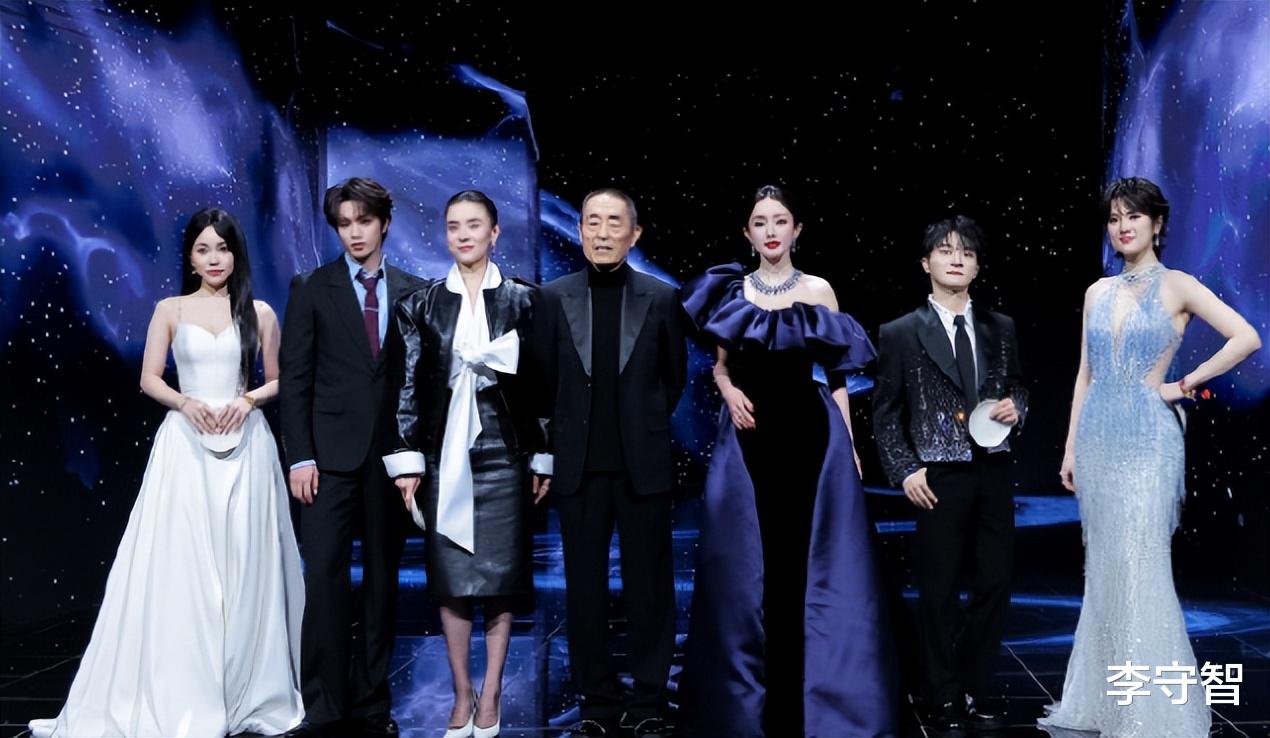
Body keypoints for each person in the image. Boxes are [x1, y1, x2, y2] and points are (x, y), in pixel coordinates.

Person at [30, 208, 304, 738]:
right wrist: (185, 403)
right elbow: (149, 378)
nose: (214, 259)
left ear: (236, 253)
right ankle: (185, 688)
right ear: (190, 257)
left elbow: (279, 379)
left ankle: (245, 687)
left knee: (246, 565)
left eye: (222, 248)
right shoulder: (170, 309)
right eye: (203, 249)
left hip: (247, 449)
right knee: (184, 568)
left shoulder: (261, 312)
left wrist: (247, 400)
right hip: (185, 450)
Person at [1039, 177, 1260, 736]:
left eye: (1134, 216)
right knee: (1105, 570)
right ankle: (1107, 700)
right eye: (1115, 218)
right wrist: (1069, 447)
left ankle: (1148, 709)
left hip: (1148, 441)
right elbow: (1085, 374)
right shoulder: (1096, 292)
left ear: (1157, 223)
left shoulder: (1178, 285)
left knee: (1141, 565)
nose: (1123, 226)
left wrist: (1183, 384)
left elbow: (1246, 337)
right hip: (1098, 440)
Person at [679, 185, 895, 738]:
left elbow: (839, 375)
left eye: (780, 220)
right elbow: (720, 368)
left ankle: (810, 692)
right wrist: (729, 392)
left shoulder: (819, 290)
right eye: (760, 222)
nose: (770, 230)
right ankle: (755, 697)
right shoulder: (731, 293)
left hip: (808, 436)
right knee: (752, 565)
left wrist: (849, 446)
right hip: (750, 440)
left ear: (797, 229)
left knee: (805, 561)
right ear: (746, 233)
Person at [384, 190, 545, 738]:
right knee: (451, 577)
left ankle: (491, 690)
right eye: (454, 226)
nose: (463, 235)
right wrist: (408, 461)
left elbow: (543, 384)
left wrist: (543, 454)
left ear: (494, 233)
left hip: (505, 449)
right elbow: (407, 386)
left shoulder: (526, 300)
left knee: (501, 577)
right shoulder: (420, 304)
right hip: (444, 449)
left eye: (474, 225)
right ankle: (461, 693)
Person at [532, 188, 687, 738]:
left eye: (613, 222)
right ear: (579, 231)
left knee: (651, 590)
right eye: (592, 222)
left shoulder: (662, 298)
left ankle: (648, 704)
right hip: (578, 468)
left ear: (634, 233)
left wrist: (642, 427)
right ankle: (597, 705)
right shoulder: (552, 298)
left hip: (642, 466)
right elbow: (542, 382)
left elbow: (673, 379)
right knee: (585, 590)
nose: (602, 233)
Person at [280, 177, 424, 738]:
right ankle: (323, 707)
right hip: (327, 461)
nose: (355, 232)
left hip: (390, 461)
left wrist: (414, 458)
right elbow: (296, 380)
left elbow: (419, 383)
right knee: (324, 581)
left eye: (364, 221)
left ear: (384, 222)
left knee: (384, 583)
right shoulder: (311, 288)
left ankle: (371, 704)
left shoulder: (414, 291)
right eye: (344, 223)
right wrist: (300, 457)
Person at [872, 214, 1027, 731]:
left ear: (977, 266)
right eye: (945, 250)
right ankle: (939, 694)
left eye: (966, 252)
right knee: (938, 591)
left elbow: (1019, 386)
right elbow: (885, 413)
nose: (956, 259)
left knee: (995, 584)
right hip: (937, 475)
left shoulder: (1000, 327)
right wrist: (904, 470)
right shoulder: (900, 332)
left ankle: (976, 687)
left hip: (994, 468)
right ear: (926, 263)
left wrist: (1017, 407)